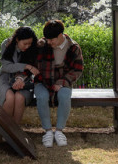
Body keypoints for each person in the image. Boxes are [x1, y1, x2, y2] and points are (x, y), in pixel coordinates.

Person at [34, 19, 84, 147]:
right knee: (41, 96)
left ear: (61, 35)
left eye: (52, 40)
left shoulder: (73, 47)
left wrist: (62, 82)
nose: (49, 42)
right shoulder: (41, 45)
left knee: (64, 96)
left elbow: (77, 69)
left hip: (63, 81)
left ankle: (59, 131)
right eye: (47, 39)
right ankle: (48, 132)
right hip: (43, 81)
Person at [0, 26, 39, 124]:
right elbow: (6, 66)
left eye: (29, 43)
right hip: (5, 78)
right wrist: (27, 66)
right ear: (17, 39)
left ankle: (15, 132)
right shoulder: (6, 44)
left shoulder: (33, 48)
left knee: (19, 98)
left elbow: (34, 70)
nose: (27, 46)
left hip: (26, 81)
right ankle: (6, 130)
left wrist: (21, 78)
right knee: (10, 98)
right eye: (25, 43)